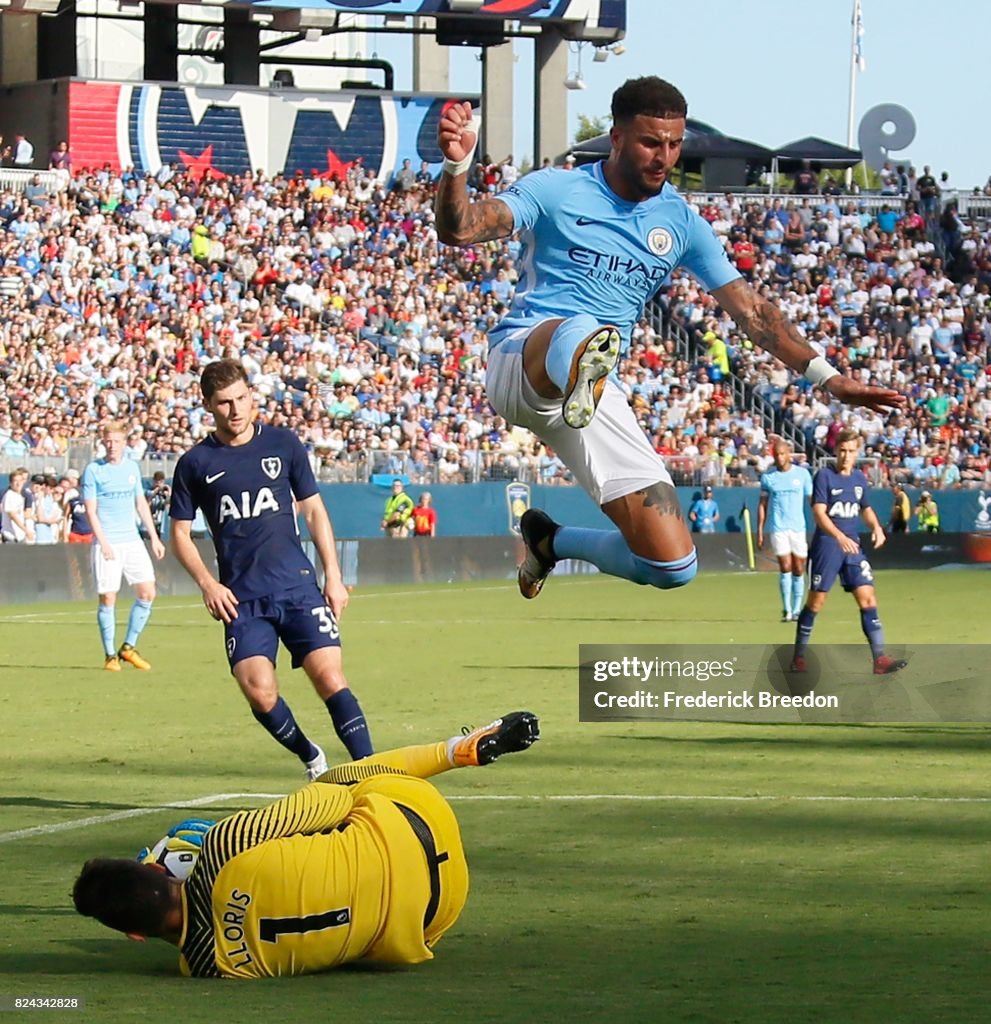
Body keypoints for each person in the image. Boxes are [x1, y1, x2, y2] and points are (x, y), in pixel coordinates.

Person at [434, 77, 902, 600]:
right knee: (581, 330)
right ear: (615, 137)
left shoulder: (679, 221)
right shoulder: (556, 189)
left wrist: (830, 379)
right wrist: (457, 166)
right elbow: (463, 228)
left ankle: (551, 543)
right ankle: (581, 363)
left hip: (592, 391)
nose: (665, 157)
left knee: (672, 564)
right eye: (651, 142)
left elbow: (754, 314)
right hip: (524, 361)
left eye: (675, 144)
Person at [72, 711, 540, 979]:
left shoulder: (207, 967)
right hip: (423, 821)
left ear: (135, 935)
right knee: (340, 779)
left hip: (435, 915)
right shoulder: (221, 848)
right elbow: (330, 801)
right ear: (157, 872)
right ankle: (460, 749)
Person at [168, 359, 373, 778]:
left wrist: (332, 575)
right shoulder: (195, 463)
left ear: (252, 395)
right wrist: (208, 584)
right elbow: (180, 534)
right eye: (224, 402)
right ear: (208, 404)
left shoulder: (283, 443)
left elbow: (314, 510)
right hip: (241, 599)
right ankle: (310, 754)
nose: (236, 410)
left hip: (297, 586)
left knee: (330, 677)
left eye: (242, 398)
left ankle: (371, 773)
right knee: (260, 694)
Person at [790, 430, 905, 676]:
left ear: (857, 453)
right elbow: (819, 513)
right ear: (835, 451)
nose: (846, 455)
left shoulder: (859, 480)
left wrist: (876, 527)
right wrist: (838, 536)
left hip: (852, 546)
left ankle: (880, 659)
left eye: (851, 451)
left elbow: (865, 509)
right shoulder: (824, 476)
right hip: (828, 546)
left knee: (868, 599)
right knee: (816, 602)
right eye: (842, 450)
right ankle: (798, 656)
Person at [82, 424, 165, 671]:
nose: (112, 445)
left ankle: (128, 647)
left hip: (131, 540)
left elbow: (140, 503)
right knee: (108, 597)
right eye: (108, 441)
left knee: (148, 592)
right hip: (108, 542)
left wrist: (154, 537)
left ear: (124, 442)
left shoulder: (131, 468)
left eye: (117, 441)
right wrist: (103, 542)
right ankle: (110, 656)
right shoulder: (94, 471)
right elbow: (90, 510)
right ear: (103, 442)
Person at [757, 440, 812, 622]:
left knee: (798, 568)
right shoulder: (769, 477)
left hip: (798, 528)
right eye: (776, 454)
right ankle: (788, 610)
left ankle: (797, 609)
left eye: (782, 454)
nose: (779, 458)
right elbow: (763, 505)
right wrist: (760, 530)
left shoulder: (802, 475)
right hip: (778, 528)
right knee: (785, 567)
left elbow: (812, 501)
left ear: (789, 454)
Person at [1, 468, 29, 544]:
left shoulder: (19, 496)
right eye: (15, 481)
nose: (18, 483)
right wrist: (26, 530)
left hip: (20, 536)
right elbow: (12, 515)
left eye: (20, 481)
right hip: (10, 536)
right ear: (10, 483)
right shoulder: (9, 495)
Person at [144, 470, 171, 540]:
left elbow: (168, 506)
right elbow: (146, 505)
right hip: (151, 520)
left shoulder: (164, 493)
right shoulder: (148, 491)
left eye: (161, 482)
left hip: (161, 522)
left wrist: (168, 494)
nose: (158, 484)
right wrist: (155, 492)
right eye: (157, 481)